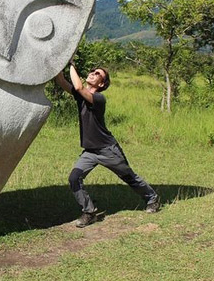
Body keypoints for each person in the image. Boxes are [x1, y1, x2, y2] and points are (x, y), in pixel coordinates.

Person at [55, 60, 159, 228]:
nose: (93, 73)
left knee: (129, 177)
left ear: (101, 83)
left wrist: (71, 64)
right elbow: (61, 81)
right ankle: (89, 212)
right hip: (90, 151)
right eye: (93, 70)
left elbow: (79, 87)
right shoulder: (80, 96)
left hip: (108, 150)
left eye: (98, 74)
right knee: (74, 178)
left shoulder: (98, 98)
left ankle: (152, 198)